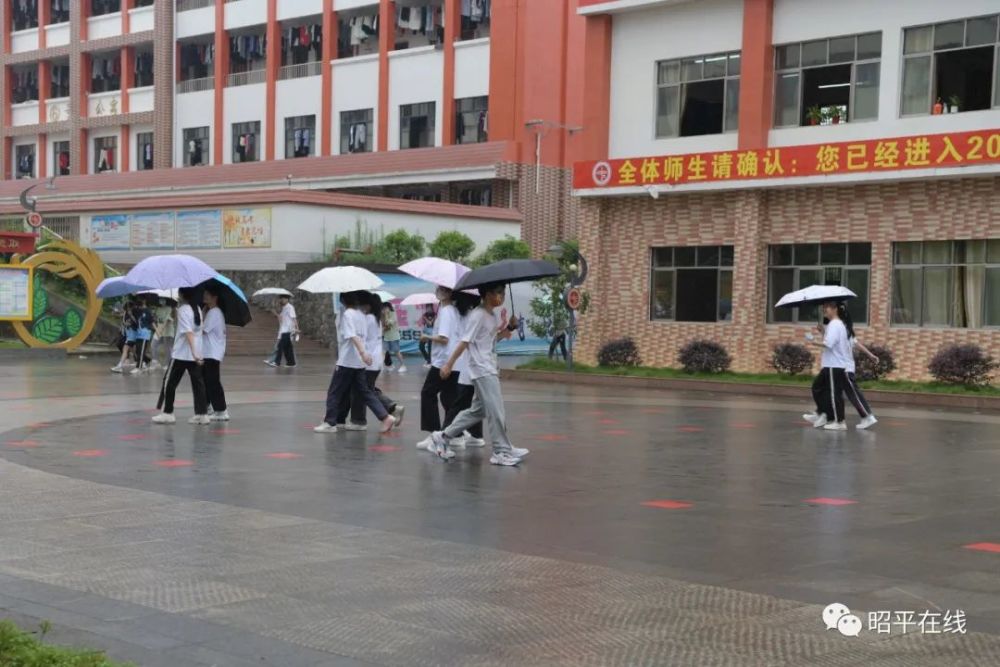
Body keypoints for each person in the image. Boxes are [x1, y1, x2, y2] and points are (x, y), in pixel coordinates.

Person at [432, 282, 530, 466]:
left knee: (479, 410)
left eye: (502, 293)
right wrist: (449, 364)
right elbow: (464, 342)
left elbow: (492, 341)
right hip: (481, 369)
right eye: (497, 293)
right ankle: (501, 451)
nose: (500, 297)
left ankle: (443, 436)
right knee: (496, 410)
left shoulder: (490, 315)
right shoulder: (478, 315)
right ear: (486, 294)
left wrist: (509, 328)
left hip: (489, 367)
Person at [314, 291, 396, 434]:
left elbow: (352, 336)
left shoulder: (348, 314)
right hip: (359, 363)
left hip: (347, 360)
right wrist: (363, 354)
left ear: (344, 300)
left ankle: (330, 422)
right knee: (364, 392)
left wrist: (363, 353)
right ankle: (385, 416)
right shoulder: (362, 315)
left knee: (334, 392)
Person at [336, 292, 405, 430]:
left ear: (367, 305)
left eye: (360, 304)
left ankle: (360, 420)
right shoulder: (376, 318)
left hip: (367, 361)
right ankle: (390, 407)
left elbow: (358, 338)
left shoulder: (367, 318)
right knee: (366, 389)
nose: (358, 307)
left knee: (361, 391)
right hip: (375, 361)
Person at [152, 287, 209, 425]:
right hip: (194, 355)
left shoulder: (184, 310)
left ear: (183, 294)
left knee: (169, 383)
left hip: (181, 354)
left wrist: (194, 352)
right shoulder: (198, 310)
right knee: (198, 384)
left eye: (179, 293)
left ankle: (168, 412)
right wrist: (196, 353)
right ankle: (202, 414)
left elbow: (188, 332)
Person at [415, 287, 461, 450]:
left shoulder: (447, 311)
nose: (438, 290)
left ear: (449, 293)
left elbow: (444, 338)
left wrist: (426, 336)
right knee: (449, 398)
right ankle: (455, 435)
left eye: (443, 289)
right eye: (438, 287)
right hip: (451, 361)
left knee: (428, 393)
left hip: (443, 361)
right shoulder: (451, 310)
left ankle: (434, 433)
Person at [441, 291, 485, 448]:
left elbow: (464, 342)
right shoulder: (477, 314)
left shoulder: (472, 315)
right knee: (472, 404)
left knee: (457, 403)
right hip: (477, 367)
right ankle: (475, 434)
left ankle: (446, 435)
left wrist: (449, 363)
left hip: (468, 366)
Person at [802, 300, 853, 431]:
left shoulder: (836, 324)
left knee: (834, 393)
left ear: (835, 309)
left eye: (826, 308)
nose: (824, 311)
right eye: (823, 308)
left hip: (834, 365)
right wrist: (823, 332)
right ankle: (823, 413)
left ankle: (839, 421)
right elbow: (830, 342)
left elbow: (828, 344)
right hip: (830, 365)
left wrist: (812, 341)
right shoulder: (834, 324)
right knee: (818, 388)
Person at [201, 285, 230, 422]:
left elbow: (202, 330)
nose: (204, 296)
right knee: (208, 381)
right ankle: (210, 407)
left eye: (207, 294)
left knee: (213, 382)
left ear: (215, 298)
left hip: (212, 353)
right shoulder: (213, 312)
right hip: (210, 352)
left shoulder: (214, 313)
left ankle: (221, 410)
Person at [265, 294, 298, 368]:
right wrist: (275, 313)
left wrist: (297, 328)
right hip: (283, 330)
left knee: (280, 346)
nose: (281, 300)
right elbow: (281, 319)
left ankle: (277, 362)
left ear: (287, 299)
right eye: (280, 299)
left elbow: (294, 318)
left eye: (283, 299)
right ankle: (291, 363)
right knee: (288, 348)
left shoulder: (290, 307)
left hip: (288, 331)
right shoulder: (284, 308)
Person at [111, 298, 139, 373]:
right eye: (127, 307)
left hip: (132, 336)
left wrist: (131, 317)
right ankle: (143, 361)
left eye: (129, 307)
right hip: (128, 335)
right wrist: (115, 313)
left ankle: (120, 365)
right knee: (133, 351)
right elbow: (120, 316)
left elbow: (136, 324)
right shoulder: (126, 314)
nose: (128, 309)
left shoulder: (134, 314)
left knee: (125, 349)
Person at [130, 297, 155, 375]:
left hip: (145, 334)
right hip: (138, 333)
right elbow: (136, 321)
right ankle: (147, 360)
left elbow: (152, 322)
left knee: (141, 351)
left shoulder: (148, 311)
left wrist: (157, 331)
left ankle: (139, 367)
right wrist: (131, 315)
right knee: (137, 351)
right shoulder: (137, 311)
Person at [151, 298, 175, 370]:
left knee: (168, 348)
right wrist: (157, 329)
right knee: (153, 345)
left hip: (168, 332)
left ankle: (169, 365)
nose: (161, 301)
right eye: (160, 299)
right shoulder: (157, 309)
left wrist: (160, 331)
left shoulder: (169, 308)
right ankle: (156, 361)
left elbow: (168, 321)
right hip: (159, 331)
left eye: (163, 299)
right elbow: (154, 319)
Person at [381, 302, 406, 372]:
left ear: (389, 307)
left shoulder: (393, 313)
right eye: (383, 308)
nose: (384, 309)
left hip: (393, 336)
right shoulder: (381, 315)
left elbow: (389, 323)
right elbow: (383, 324)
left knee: (396, 352)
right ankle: (380, 367)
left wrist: (386, 315)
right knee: (383, 352)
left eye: (386, 308)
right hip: (385, 336)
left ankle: (403, 365)